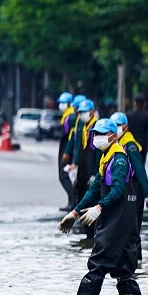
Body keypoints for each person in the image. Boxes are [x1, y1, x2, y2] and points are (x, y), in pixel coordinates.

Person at [59, 118, 141, 295]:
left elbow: (118, 189)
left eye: (101, 134)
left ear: (112, 136)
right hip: (118, 219)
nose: (97, 137)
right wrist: (75, 213)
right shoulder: (106, 157)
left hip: (118, 221)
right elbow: (94, 190)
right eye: (95, 134)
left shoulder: (119, 160)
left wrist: (99, 208)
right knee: (124, 273)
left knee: (97, 266)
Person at [111, 112, 148, 262]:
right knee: (126, 226)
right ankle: (130, 260)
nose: (114, 129)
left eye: (117, 126)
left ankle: (136, 260)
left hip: (135, 190)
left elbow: (139, 168)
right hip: (126, 189)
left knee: (134, 227)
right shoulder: (117, 144)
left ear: (125, 127)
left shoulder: (130, 146)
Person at [67, 99, 100, 237]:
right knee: (81, 198)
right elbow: (77, 146)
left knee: (92, 201)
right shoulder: (81, 125)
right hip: (82, 168)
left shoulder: (98, 127)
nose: (81, 115)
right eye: (80, 112)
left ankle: (94, 234)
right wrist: (75, 164)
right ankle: (88, 235)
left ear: (92, 112)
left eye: (84, 112)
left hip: (92, 167)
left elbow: (98, 153)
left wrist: (94, 173)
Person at [57, 92, 76, 211]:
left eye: (63, 103)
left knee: (63, 176)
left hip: (67, 149)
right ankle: (72, 201)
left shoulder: (71, 117)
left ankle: (73, 201)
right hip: (65, 148)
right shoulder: (66, 116)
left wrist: (67, 152)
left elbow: (70, 136)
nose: (61, 105)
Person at [127, 93, 148, 165]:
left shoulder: (129, 115)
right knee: (141, 165)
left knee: (131, 164)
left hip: (131, 144)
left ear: (135, 103)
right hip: (143, 145)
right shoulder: (147, 116)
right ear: (144, 103)